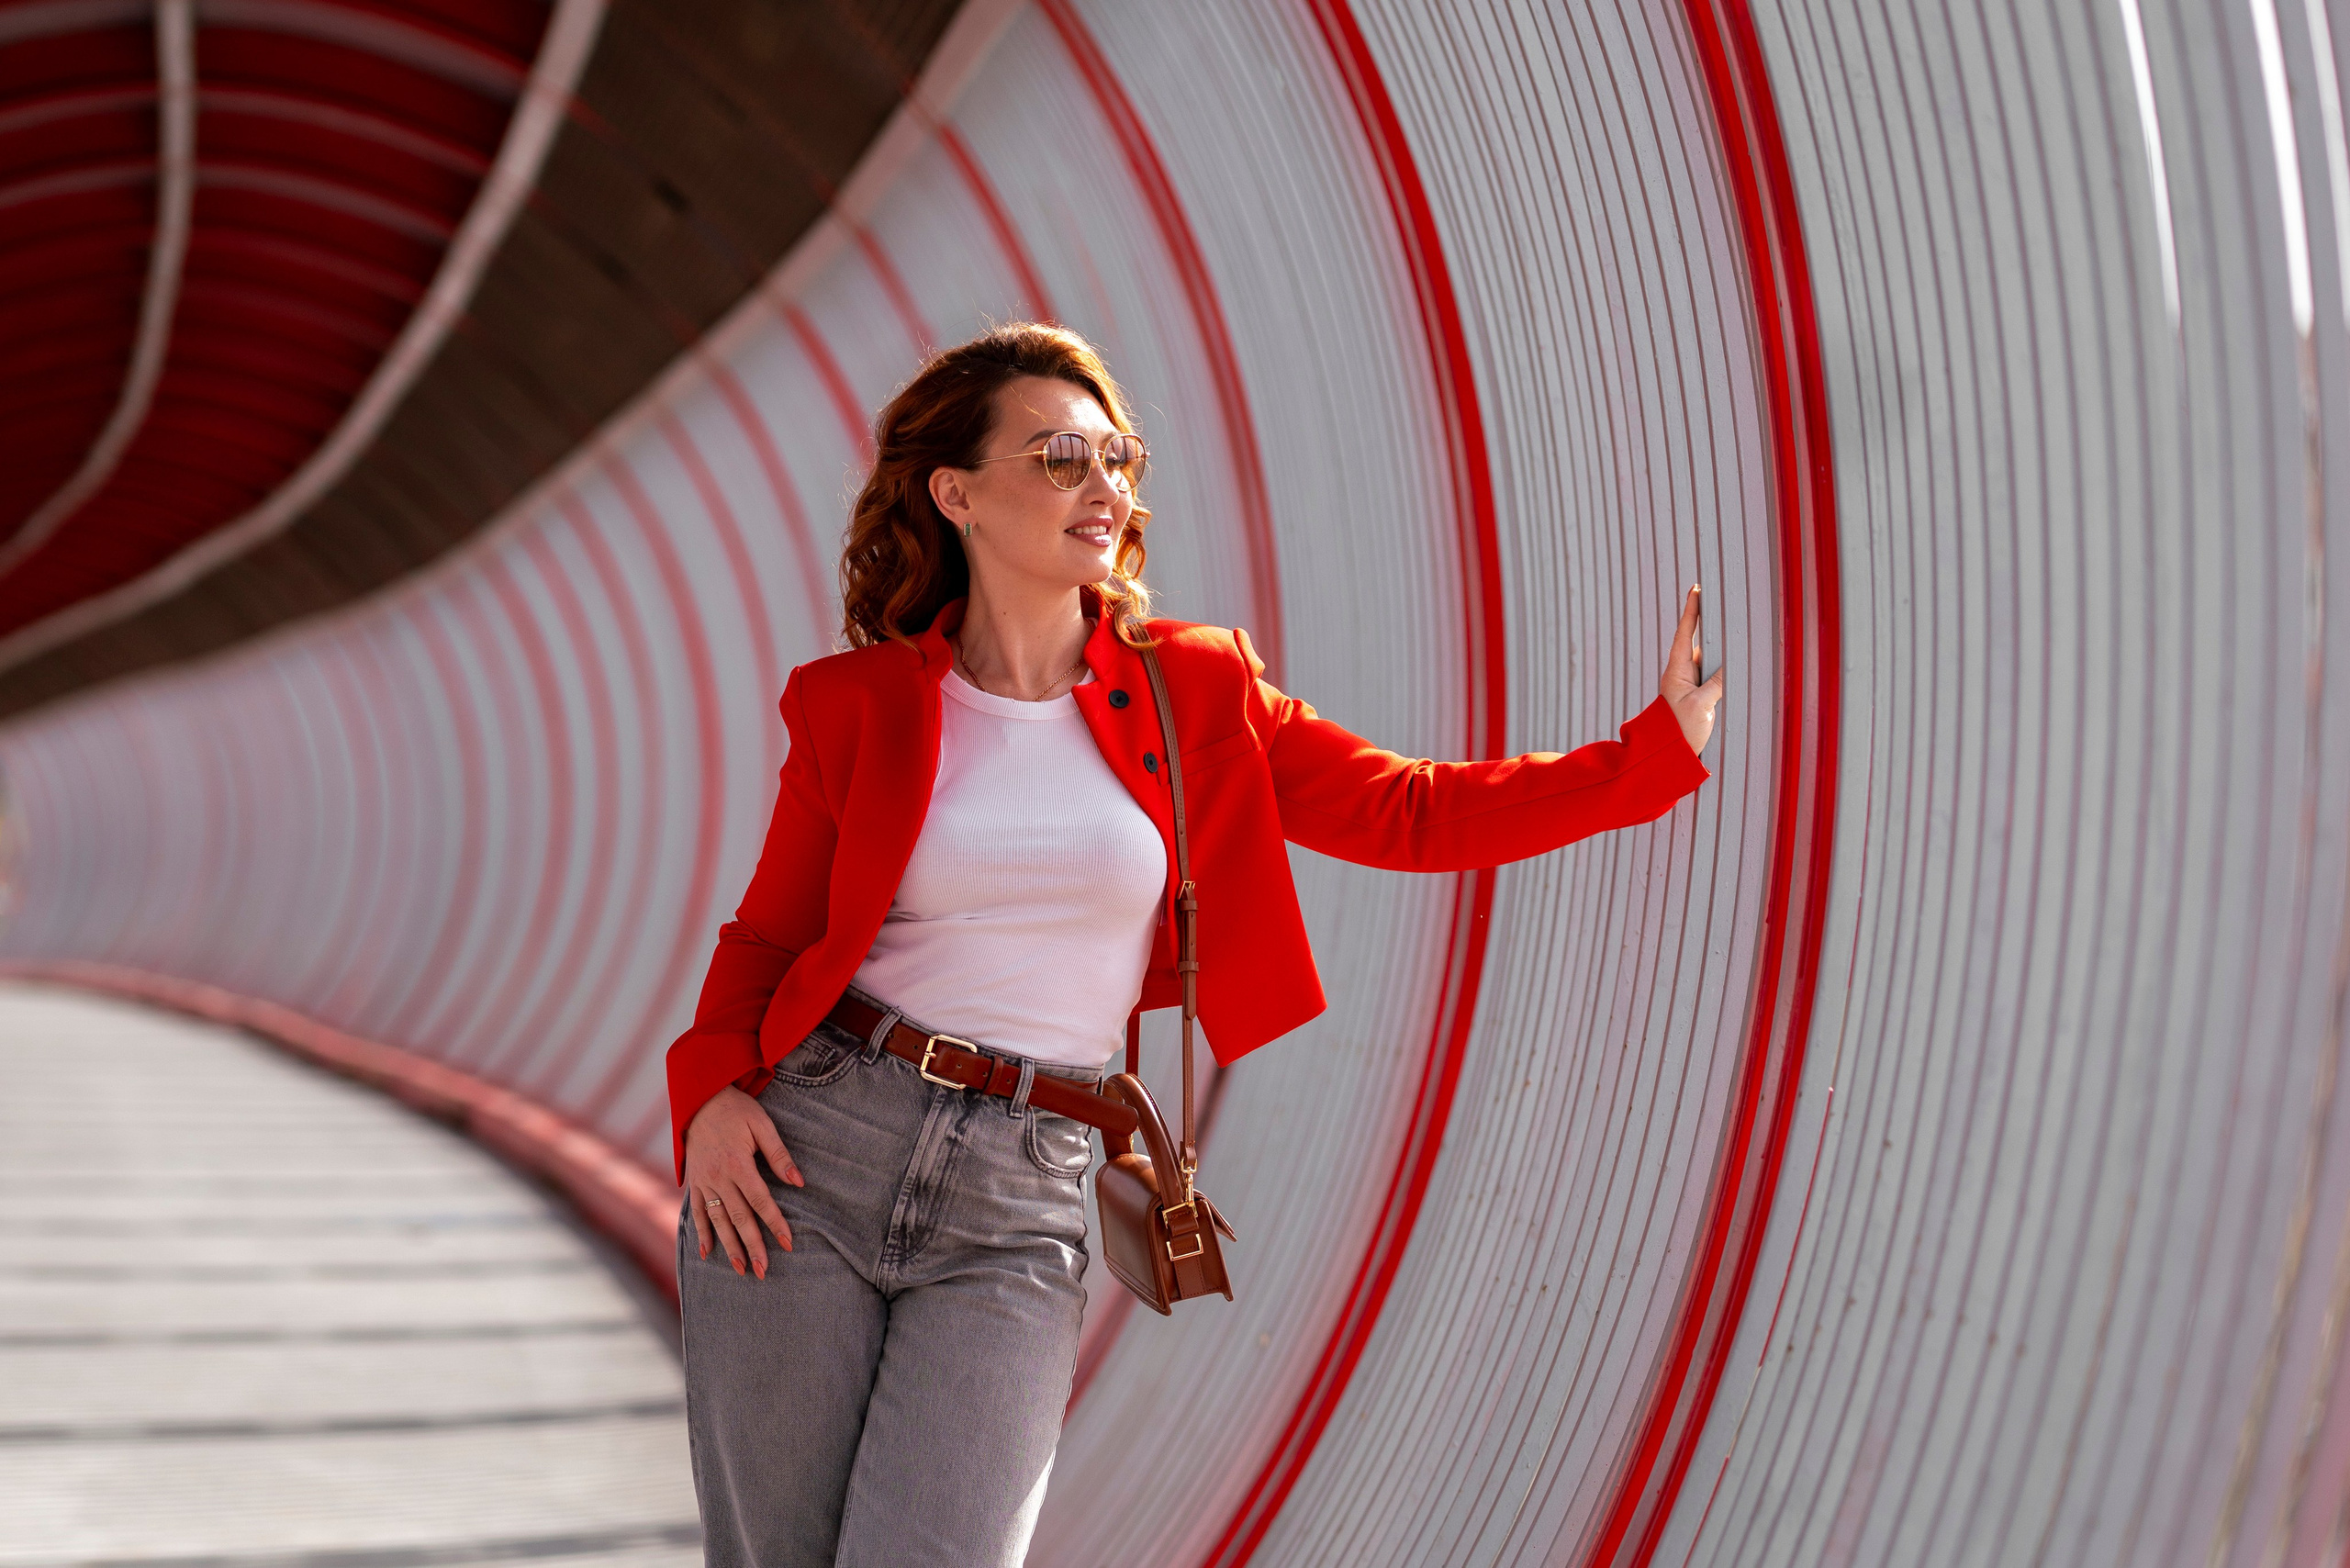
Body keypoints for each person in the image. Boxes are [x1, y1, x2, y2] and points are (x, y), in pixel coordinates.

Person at [664, 322, 1725, 1566]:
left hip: (1026, 1190)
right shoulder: (855, 705)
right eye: (1060, 458)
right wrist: (710, 1100)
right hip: (809, 1161)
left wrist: (1654, 757)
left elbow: (1408, 810)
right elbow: (769, 934)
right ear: (956, 492)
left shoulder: (1194, 692)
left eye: (1116, 459)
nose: (1103, 489)